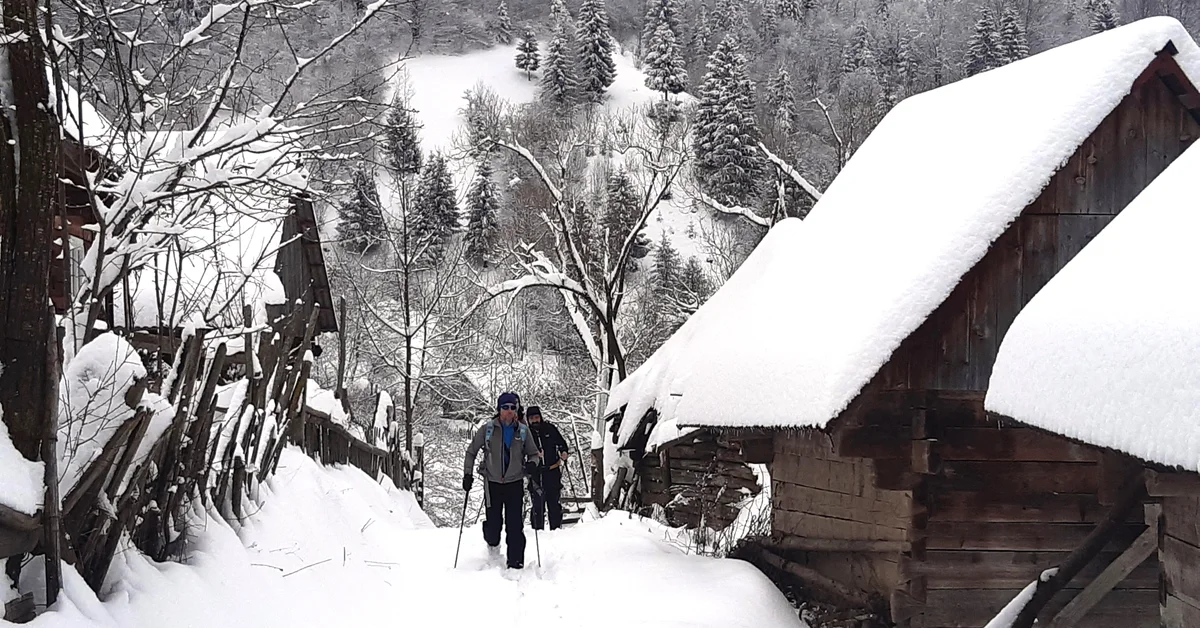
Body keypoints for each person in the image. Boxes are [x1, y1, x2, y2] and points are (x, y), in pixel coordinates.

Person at [463, 392, 540, 569]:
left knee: (514, 525)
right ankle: (491, 539)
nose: (509, 411)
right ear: (499, 409)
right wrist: (468, 474)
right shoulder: (487, 429)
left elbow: (534, 454)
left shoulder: (522, 430)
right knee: (494, 524)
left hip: (515, 482)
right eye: (505, 407)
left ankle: (515, 562)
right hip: (492, 483)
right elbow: (471, 452)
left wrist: (532, 465)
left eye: (513, 408)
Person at [525, 405, 570, 531]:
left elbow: (561, 443)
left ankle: (556, 530)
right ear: (528, 420)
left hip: (552, 471)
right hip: (536, 474)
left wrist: (564, 451)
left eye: (536, 417)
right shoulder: (525, 433)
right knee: (537, 505)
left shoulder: (550, 429)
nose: (535, 420)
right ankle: (537, 531)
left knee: (554, 503)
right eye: (532, 418)